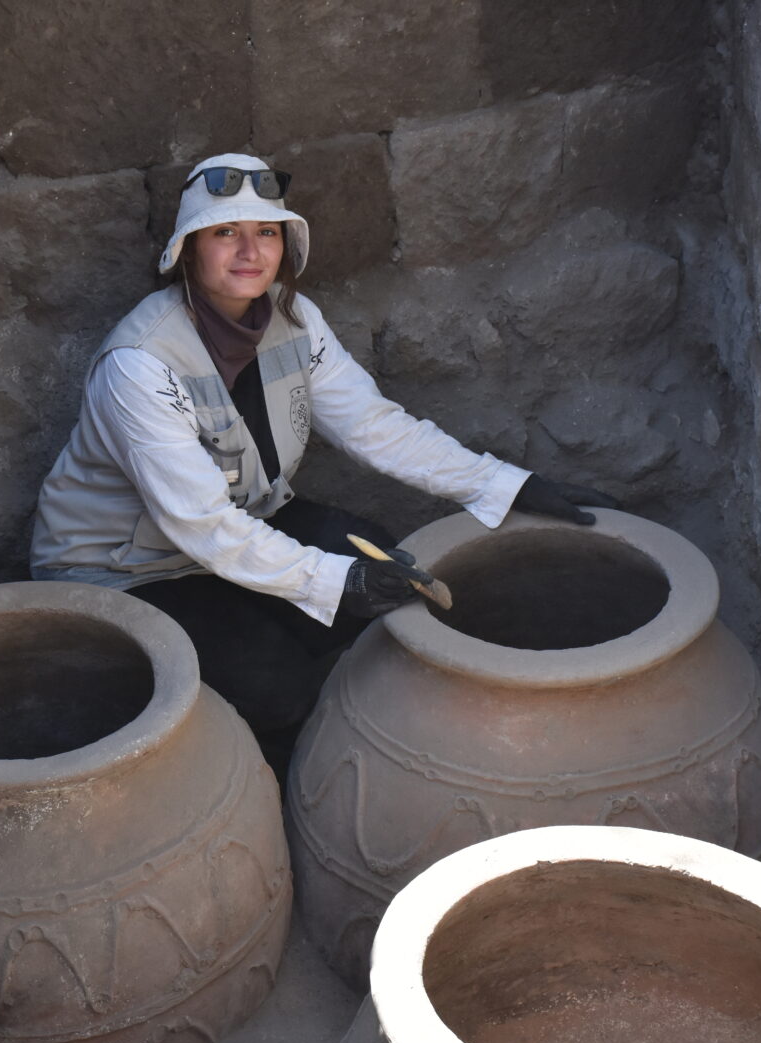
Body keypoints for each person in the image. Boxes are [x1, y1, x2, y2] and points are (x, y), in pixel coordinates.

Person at [31, 153, 617, 759]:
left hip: (243, 526)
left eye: (266, 232)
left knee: (388, 568)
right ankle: (266, 774)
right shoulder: (140, 363)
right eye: (224, 232)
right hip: (129, 569)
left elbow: (373, 427)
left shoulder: (295, 318)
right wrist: (334, 580)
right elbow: (199, 524)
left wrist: (505, 486)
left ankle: (313, 697)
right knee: (277, 687)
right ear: (187, 250)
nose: (249, 252)